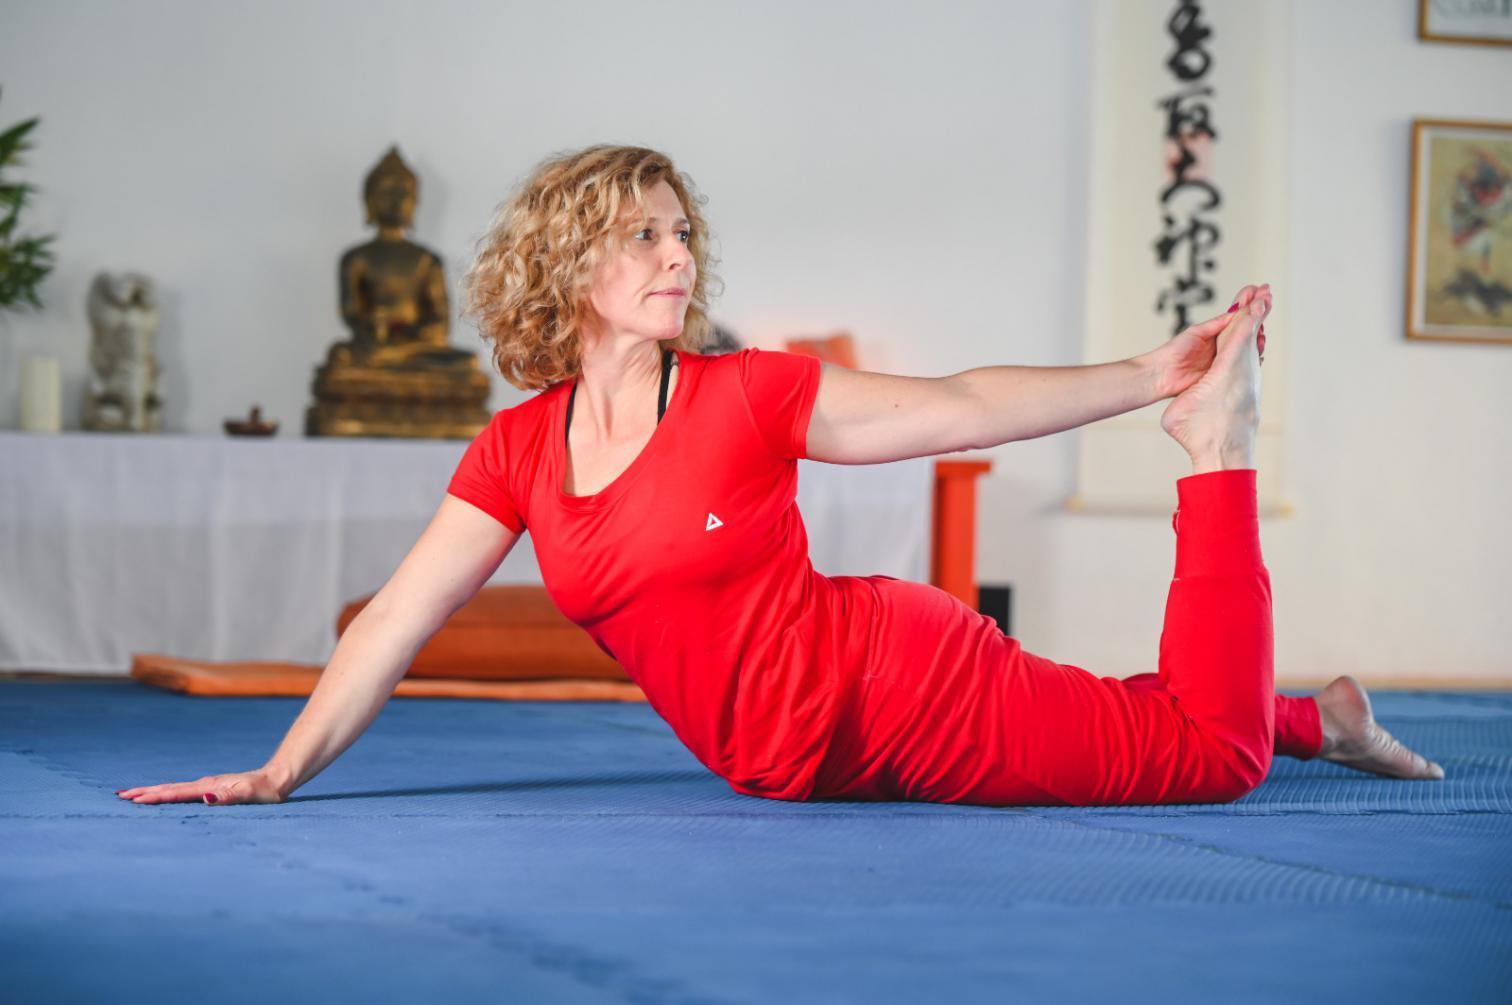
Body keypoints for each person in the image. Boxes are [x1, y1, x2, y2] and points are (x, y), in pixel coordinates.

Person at [117, 145, 1441, 808]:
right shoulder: (516, 450)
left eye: (681, 231)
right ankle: (1316, 718)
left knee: (1205, 760)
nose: (677, 254)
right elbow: (395, 620)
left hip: (898, 693)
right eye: (641, 235)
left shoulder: (744, 394)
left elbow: (959, 404)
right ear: (567, 268)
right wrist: (277, 773)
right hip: (794, 764)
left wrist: (1152, 374)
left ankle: (1219, 449)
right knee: (1127, 717)